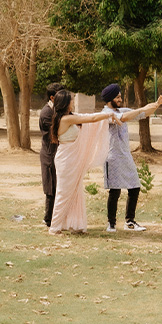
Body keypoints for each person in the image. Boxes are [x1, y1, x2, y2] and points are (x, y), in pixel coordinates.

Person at [100, 83, 162, 232]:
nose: (120, 99)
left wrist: (157, 103)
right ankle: (111, 223)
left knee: (134, 187)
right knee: (115, 191)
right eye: (117, 97)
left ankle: (129, 221)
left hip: (125, 156)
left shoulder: (121, 110)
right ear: (110, 98)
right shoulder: (105, 113)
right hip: (112, 157)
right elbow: (123, 118)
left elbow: (144, 113)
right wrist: (142, 108)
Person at [48, 90, 116, 234]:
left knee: (76, 191)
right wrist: (108, 114)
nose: (73, 102)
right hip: (67, 160)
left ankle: (75, 225)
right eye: (71, 100)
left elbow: (87, 118)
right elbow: (90, 119)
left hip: (72, 158)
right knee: (64, 193)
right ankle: (54, 227)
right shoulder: (65, 119)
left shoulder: (69, 117)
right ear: (65, 103)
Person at [38, 82, 63, 227]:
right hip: (50, 154)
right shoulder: (46, 113)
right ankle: (48, 219)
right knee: (51, 188)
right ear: (53, 98)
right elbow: (55, 134)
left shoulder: (59, 111)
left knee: (59, 186)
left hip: (58, 154)